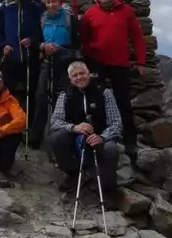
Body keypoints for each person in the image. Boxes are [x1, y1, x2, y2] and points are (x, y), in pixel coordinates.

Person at [81, 0, 146, 160]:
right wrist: (88, 57)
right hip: (96, 63)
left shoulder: (126, 12)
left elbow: (137, 37)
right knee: (97, 102)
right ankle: (101, 138)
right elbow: (84, 39)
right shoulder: (90, 14)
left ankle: (130, 142)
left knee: (123, 102)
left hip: (120, 64)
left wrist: (140, 62)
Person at [49, 61, 122, 209]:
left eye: (82, 73)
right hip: (76, 136)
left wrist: (102, 137)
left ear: (89, 74)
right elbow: (55, 121)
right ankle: (73, 173)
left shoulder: (104, 93)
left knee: (111, 150)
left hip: (100, 136)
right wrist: (73, 127)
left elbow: (116, 123)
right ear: (70, 79)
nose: (79, 77)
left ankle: (107, 190)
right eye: (74, 75)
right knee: (57, 138)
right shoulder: (65, 95)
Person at [30, 0, 81, 149]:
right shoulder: (43, 18)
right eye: (48, 1)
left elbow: (77, 43)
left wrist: (63, 51)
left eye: (54, 1)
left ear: (60, 2)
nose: (51, 5)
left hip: (65, 61)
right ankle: (35, 137)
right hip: (47, 59)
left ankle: (65, 137)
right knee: (41, 97)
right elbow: (36, 39)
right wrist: (43, 46)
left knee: (66, 97)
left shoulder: (69, 18)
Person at [0, 0, 43, 129]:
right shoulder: (3, 7)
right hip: (11, 56)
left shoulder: (35, 6)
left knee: (31, 92)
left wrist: (32, 39)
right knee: (8, 92)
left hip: (30, 55)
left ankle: (28, 125)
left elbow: (41, 29)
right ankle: (8, 122)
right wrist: (3, 44)